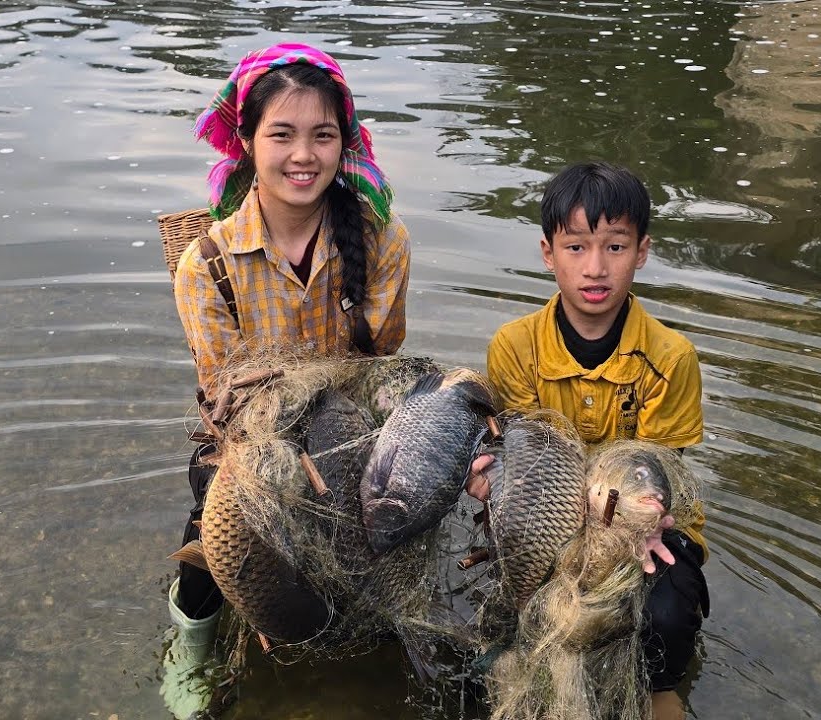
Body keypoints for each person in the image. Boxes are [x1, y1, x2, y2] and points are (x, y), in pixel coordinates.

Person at [162, 42, 410, 718]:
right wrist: (284, 470)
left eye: (322, 135)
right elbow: (227, 395)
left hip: (349, 426)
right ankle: (192, 639)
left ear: (345, 144)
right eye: (282, 134)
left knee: (406, 506)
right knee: (216, 530)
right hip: (248, 435)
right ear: (245, 140)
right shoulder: (205, 263)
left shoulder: (384, 242)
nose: (303, 155)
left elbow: (380, 367)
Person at [466, 162, 709, 720]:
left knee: (666, 614)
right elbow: (521, 455)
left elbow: (655, 470)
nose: (595, 268)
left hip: (648, 528)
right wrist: (485, 477)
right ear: (548, 253)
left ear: (642, 251)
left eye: (615, 247)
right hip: (548, 515)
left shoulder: (672, 357)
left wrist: (634, 522)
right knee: (519, 611)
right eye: (575, 248)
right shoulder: (515, 345)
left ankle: (662, 689)